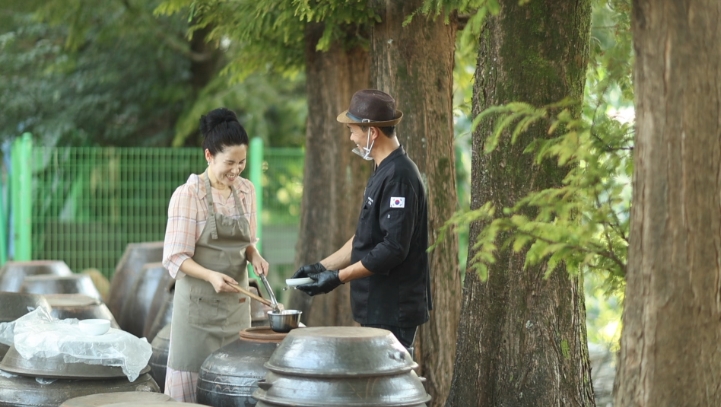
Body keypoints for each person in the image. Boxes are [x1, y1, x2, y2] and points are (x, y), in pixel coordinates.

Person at [293, 89, 432, 352]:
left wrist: (338, 277)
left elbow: (392, 248)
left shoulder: (399, 176)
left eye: (353, 130)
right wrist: (321, 268)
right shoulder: (383, 169)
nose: (352, 138)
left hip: (392, 309)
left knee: (386, 389)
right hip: (376, 307)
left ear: (372, 132)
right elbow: (366, 237)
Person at [161, 107, 269, 402]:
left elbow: (246, 242)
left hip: (236, 309)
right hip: (197, 313)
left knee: (233, 386)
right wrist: (210, 275)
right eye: (229, 162)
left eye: (242, 162)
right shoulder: (188, 195)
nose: (236, 170)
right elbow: (176, 256)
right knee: (192, 391)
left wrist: (254, 255)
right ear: (209, 155)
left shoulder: (246, 191)